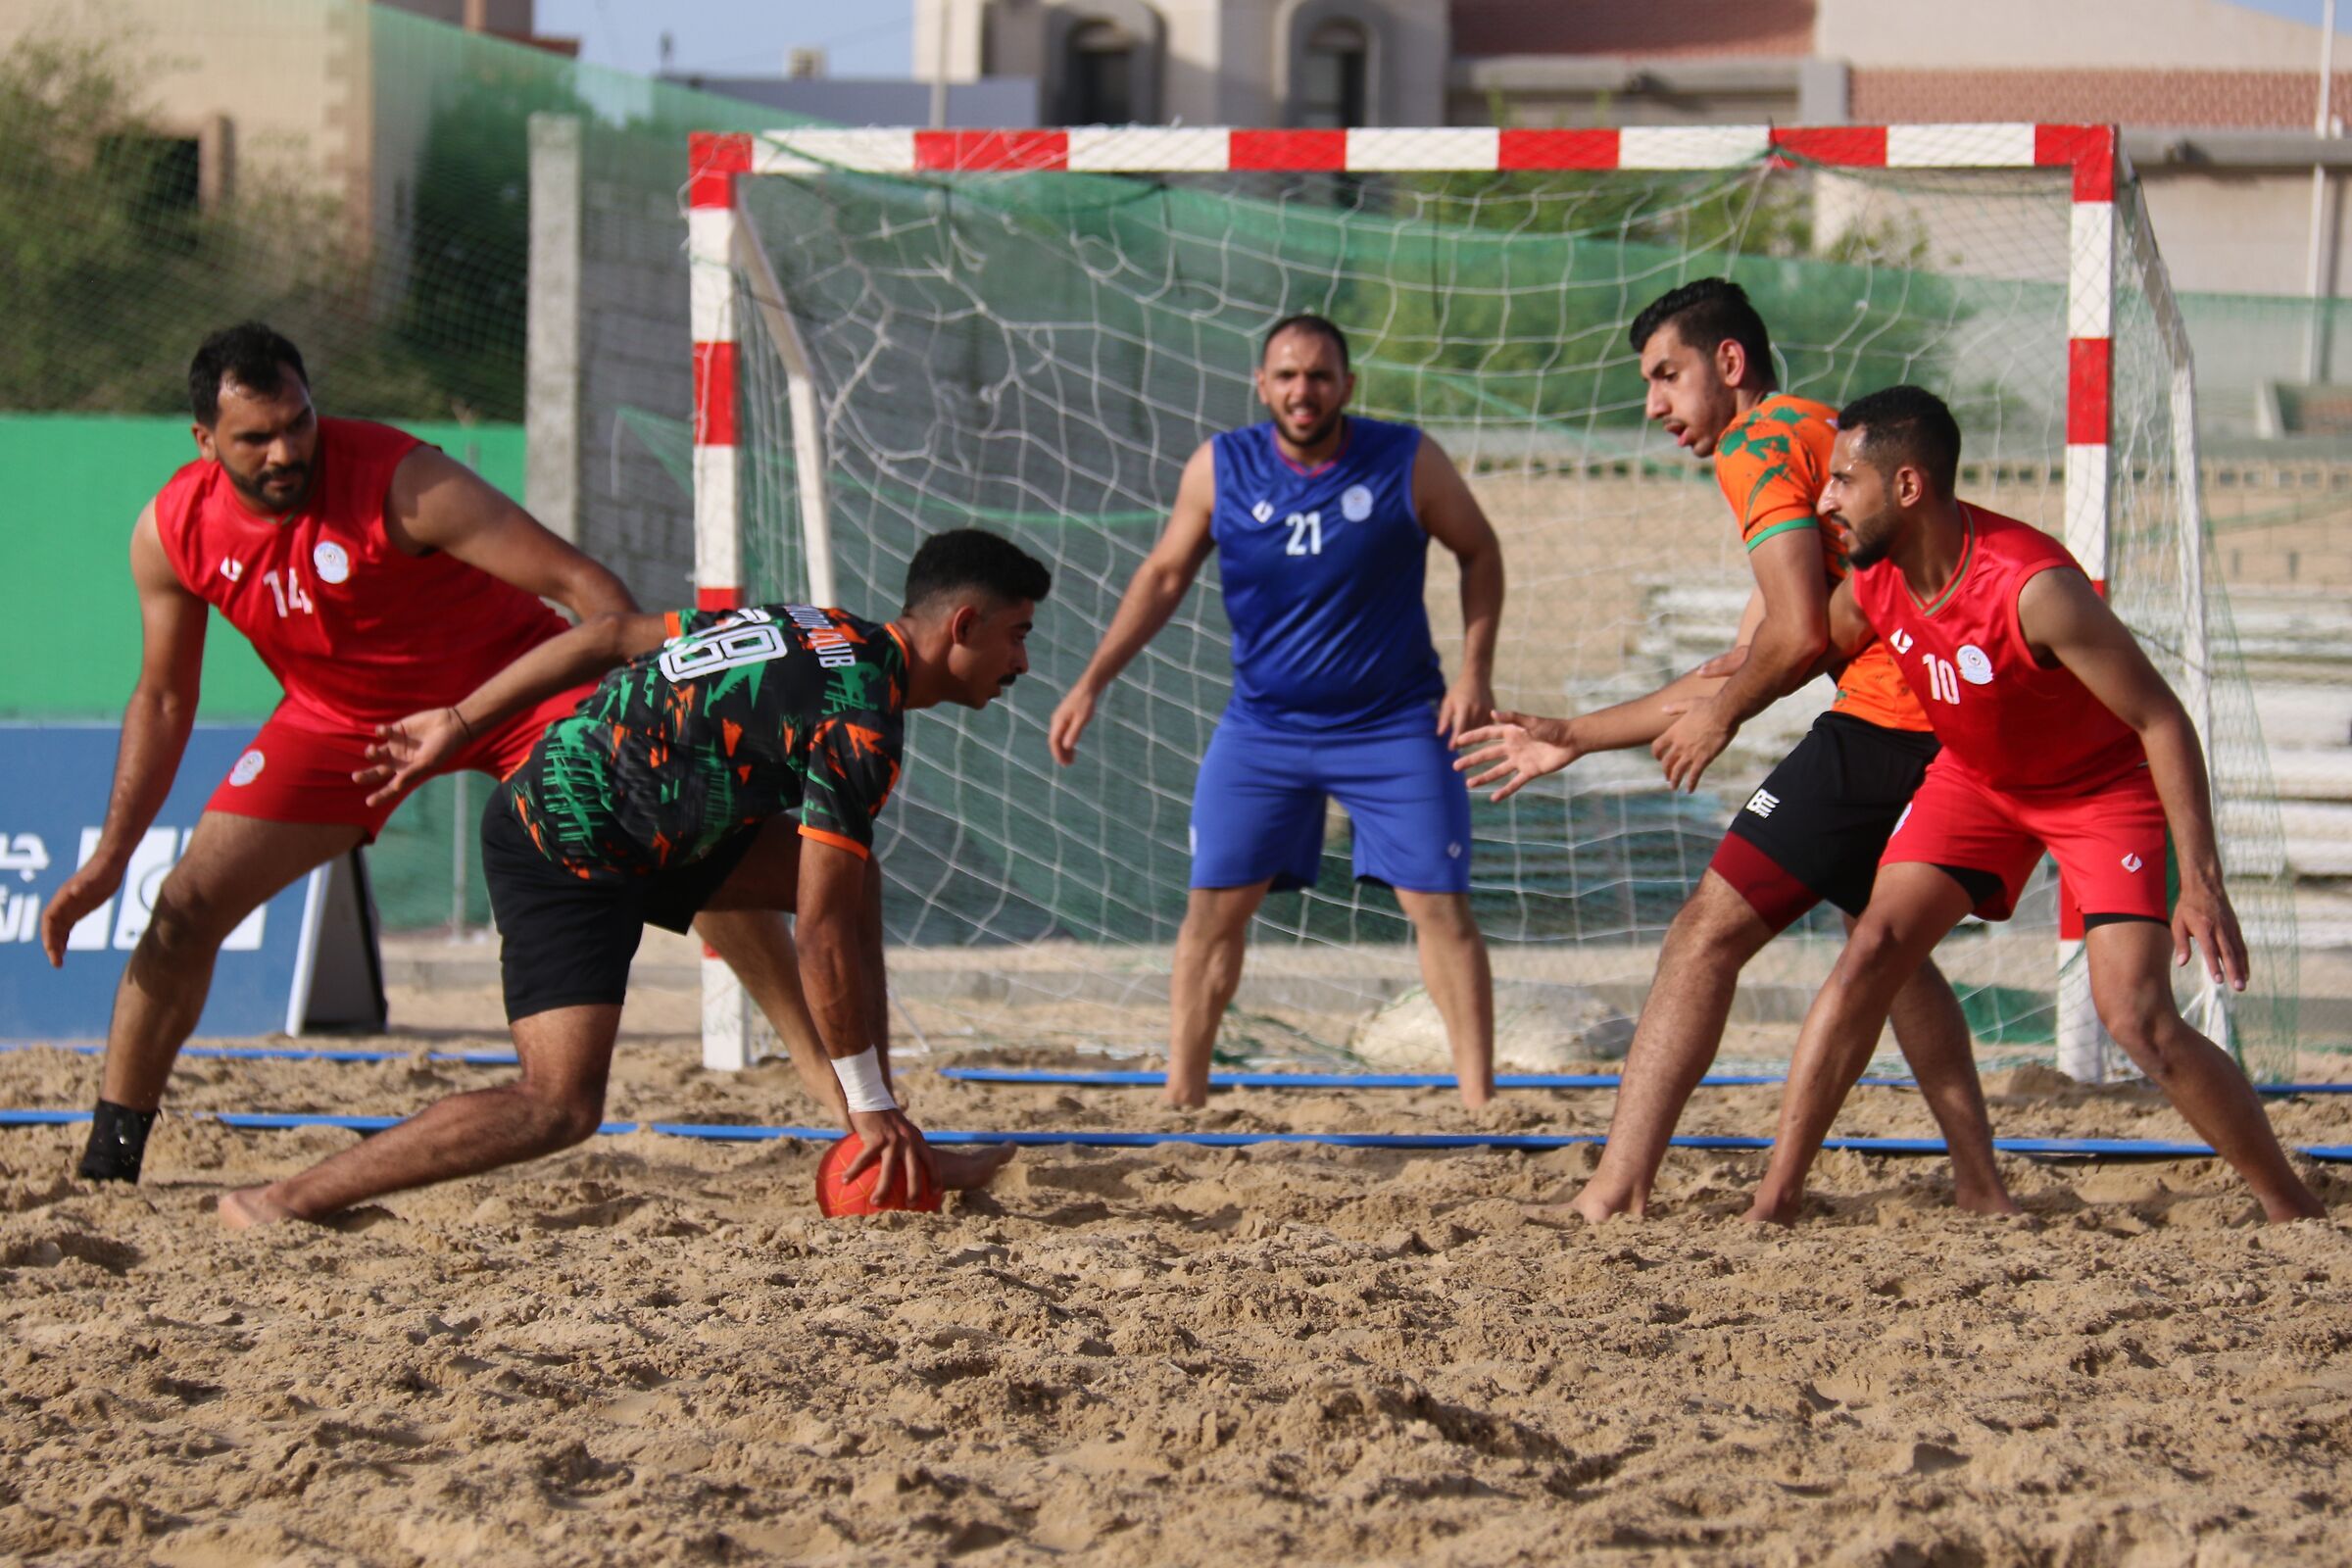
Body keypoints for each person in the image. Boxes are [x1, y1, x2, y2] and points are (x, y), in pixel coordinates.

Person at [220, 528, 1049, 1228]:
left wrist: (463, 720)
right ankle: (280, 1200)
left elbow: (607, 635)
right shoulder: (863, 722)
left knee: (842, 875)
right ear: (963, 626)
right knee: (558, 1108)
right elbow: (822, 934)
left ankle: (868, 1124)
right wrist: (461, 723)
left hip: (661, 824)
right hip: (564, 844)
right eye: (1017, 635)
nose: (1020, 661)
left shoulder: (816, 624)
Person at [1452, 280, 2011, 1218]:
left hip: (1892, 719)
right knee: (1888, 949)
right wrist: (1576, 738)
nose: (1654, 405)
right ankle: (1981, 1187)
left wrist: (1723, 718)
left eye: (1667, 376)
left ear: (1731, 364)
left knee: (1702, 936)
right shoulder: (1819, 434)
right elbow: (1753, 659)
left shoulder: (1755, 447)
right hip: (1952, 711)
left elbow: (1786, 644)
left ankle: (1617, 1190)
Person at [41, 322, 636, 1188]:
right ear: (204, 442)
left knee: (687, 850)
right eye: (256, 437)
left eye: (299, 422)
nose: (285, 451)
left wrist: (642, 723)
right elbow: (165, 699)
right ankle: (110, 1162)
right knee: (183, 907)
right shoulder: (172, 530)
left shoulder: (404, 480)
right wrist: (109, 857)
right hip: (338, 725)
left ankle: (844, 1088)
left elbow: (584, 587)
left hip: (512, 697)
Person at [1731, 385, 2325, 1225]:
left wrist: (2200, 881)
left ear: (1907, 487)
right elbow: (1782, 649)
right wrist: (1660, 714)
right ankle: (1775, 1203)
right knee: (1872, 949)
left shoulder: (2033, 587)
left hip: (2101, 792)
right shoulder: (1873, 582)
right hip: (1978, 782)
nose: (1824, 498)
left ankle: (2291, 1208)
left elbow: (2161, 717)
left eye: (1842, 480)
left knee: (2138, 1018)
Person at [1048, 314, 1506, 1108]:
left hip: (1396, 722)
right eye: (1288, 376)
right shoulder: (1220, 468)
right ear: (1262, 384)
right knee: (1212, 911)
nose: (1303, 391)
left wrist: (1475, 672)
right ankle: (1181, 1099)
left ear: (1346, 387)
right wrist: (1092, 680)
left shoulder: (1406, 459)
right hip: (1265, 727)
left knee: (1439, 905)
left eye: (1320, 376)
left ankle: (1482, 1103)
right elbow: (1162, 577)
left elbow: (1480, 549)